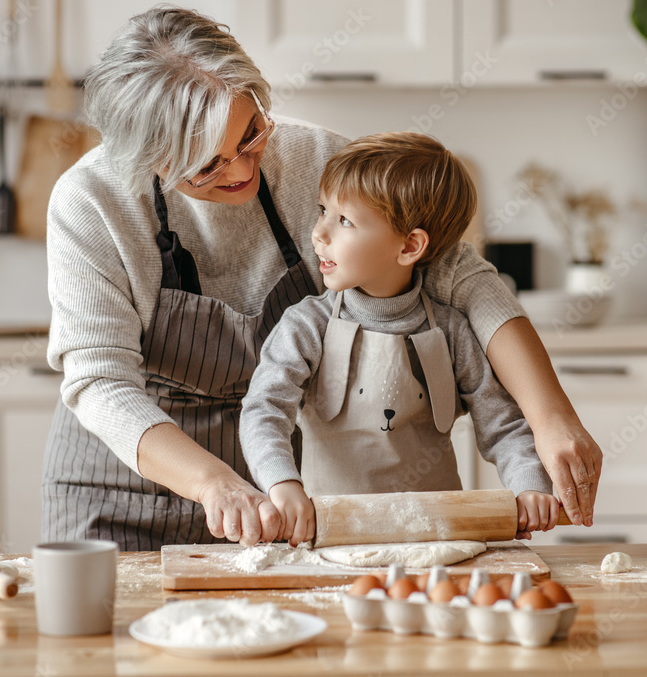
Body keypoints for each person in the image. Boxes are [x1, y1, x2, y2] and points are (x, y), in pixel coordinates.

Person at [41, 5, 601, 551]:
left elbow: (466, 279)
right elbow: (101, 381)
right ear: (145, 158)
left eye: (251, 134)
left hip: (277, 485)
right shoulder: (92, 203)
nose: (240, 170)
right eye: (205, 164)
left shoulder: (317, 159)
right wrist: (212, 483)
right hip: (119, 487)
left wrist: (551, 418)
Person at [239, 133, 560, 545]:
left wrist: (529, 486)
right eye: (323, 211)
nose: (319, 233)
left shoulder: (452, 332)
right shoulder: (306, 325)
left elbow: (504, 426)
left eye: (344, 221)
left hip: (437, 540)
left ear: (410, 246)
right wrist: (282, 483)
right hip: (329, 538)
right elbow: (263, 409)